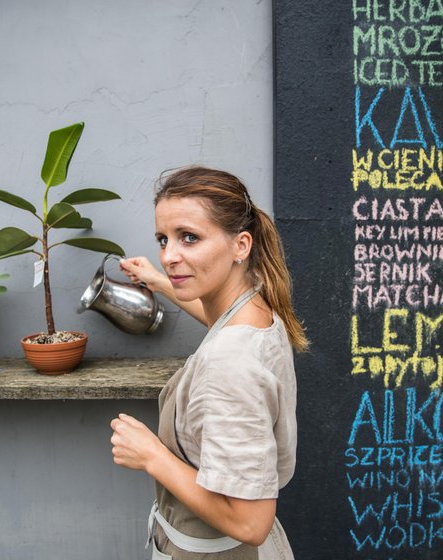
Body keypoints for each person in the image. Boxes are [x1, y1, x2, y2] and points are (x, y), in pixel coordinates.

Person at [109, 166, 308, 559]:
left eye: (189, 238)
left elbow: (251, 523)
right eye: (163, 239)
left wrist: (152, 456)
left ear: (241, 245)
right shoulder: (258, 310)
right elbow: (219, 320)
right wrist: (161, 283)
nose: (168, 256)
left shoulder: (229, 366)